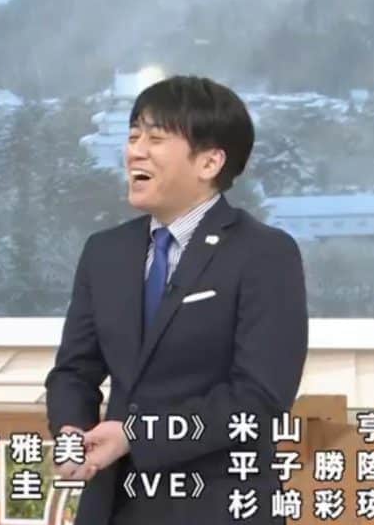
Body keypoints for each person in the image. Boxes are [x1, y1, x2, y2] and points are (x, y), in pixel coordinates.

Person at [45, 76, 308, 524]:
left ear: (209, 162)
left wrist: (135, 435)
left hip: (218, 505)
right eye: (133, 136)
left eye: (155, 139)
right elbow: (74, 370)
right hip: (113, 505)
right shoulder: (105, 252)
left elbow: (259, 397)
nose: (135, 152)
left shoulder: (264, 253)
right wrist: (72, 430)